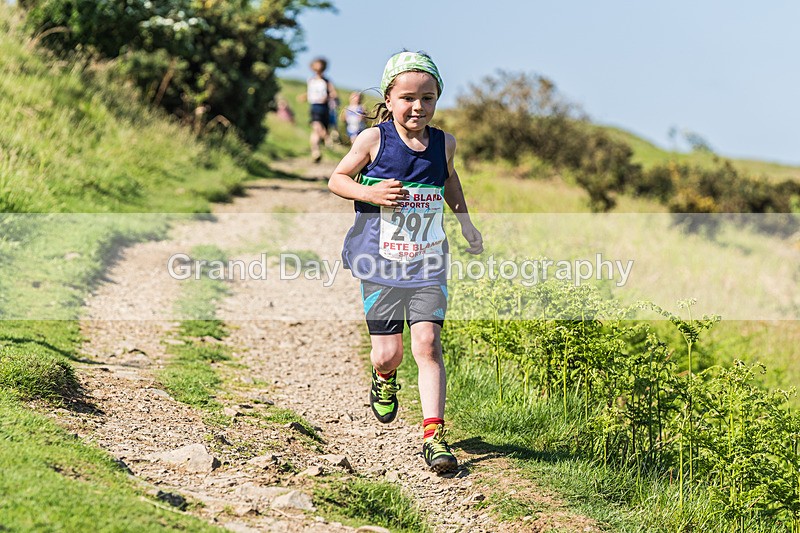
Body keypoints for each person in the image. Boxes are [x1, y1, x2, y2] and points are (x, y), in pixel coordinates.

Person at [328, 51, 483, 473]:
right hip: (380, 263)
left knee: (428, 345)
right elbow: (337, 179)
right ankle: (382, 380)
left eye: (428, 98)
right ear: (390, 98)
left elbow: (449, 179)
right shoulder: (373, 140)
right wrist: (371, 194)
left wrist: (466, 224)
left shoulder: (444, 143)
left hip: (428, 262)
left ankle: (433, 434)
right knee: (387, 355)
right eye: (408, 98)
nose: (418, 107)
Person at [306, 57, 337, 163]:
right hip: (314, 106)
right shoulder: (311, 81)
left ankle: (317, 150)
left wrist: (329, 97)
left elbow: (333, 93)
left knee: (316, 130)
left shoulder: (326, 81)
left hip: (323, 107)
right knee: (316, 126)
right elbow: (310, 94)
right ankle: (322, 144)